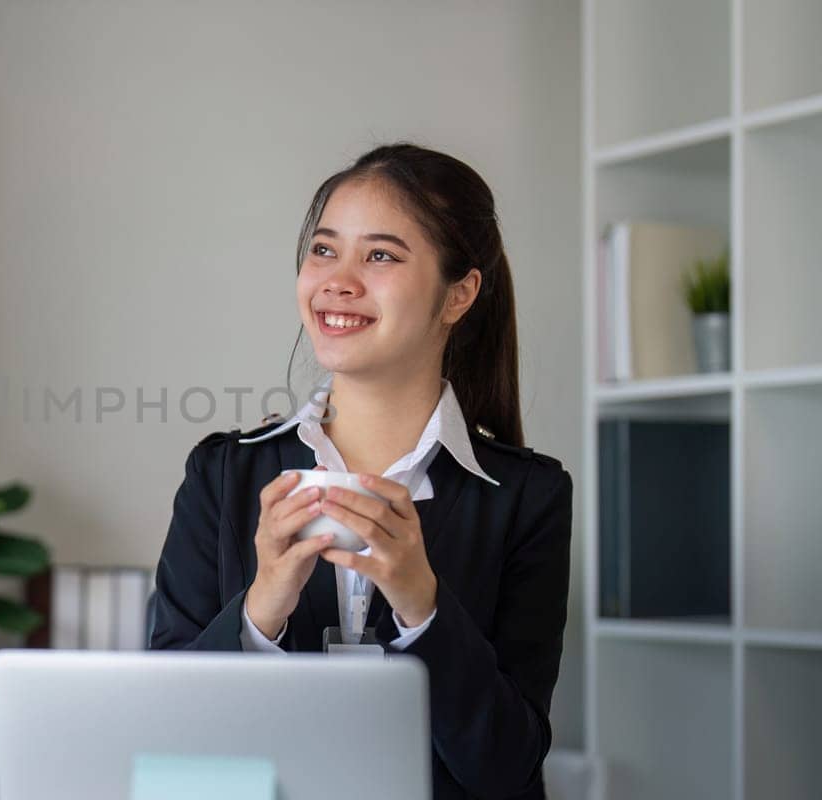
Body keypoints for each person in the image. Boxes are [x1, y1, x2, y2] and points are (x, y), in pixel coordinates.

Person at [147, 142, 573, 800]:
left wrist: (421, 606)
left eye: (380, 255)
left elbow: (507, 767)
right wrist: (262, 608)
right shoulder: (223, 475)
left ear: (458, 295)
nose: (337, 280)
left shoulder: (526, 497)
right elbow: (167, 741)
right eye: (324, 250)